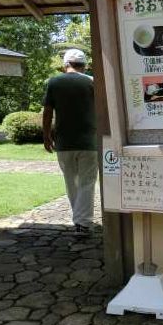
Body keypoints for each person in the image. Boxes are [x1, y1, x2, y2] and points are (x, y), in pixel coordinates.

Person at [42, 48, 98, 234]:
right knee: (87, 182)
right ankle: (83, 222)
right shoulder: (93, 82)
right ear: (84, 65)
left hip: (64, 142)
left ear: (66, 65)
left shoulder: (54, 82)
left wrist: (46, 135)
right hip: (90, 141)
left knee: (71, 182)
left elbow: (48, 111)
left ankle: (80, 221)